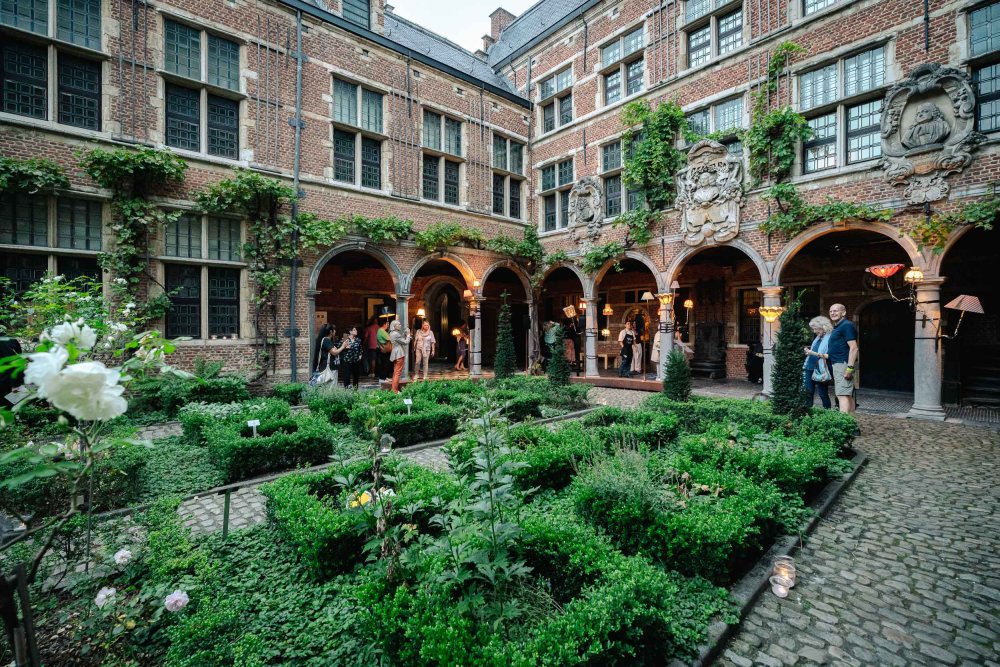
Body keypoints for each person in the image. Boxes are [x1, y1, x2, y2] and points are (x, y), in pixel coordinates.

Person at [827, 303, 859, 414]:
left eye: (835, 311)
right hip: (838, 364)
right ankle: (850, 421)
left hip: (842, 364)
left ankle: (842, 422)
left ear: (843, 312)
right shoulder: (838, 326)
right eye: (831, 311)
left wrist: (849, 369)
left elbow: (854, 348)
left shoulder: (846, 325)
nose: (832, 313)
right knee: (847, 395)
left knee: (842, 395)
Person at [802, 316, 833, 409]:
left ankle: (827, 413)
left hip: (821, 369)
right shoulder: (817, 339)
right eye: (813, 329)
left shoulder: (830, 338)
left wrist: (812, 353)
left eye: (816, 329)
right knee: (808, 392)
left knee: (823, 393)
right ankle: (808, 413)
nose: (814, 331)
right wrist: (808, 351)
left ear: (823, 327)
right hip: (809, 367)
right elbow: (813, 351)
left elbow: (830, 355)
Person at [389, 319, 411, 393]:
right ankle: (395, 390)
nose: (400, 325)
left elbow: (400, 339)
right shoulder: (396, 334)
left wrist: (404, 334)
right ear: (394, 326)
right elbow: (405, 342)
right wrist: (408, 335)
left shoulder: (392, 333)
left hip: (395, 353)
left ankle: (393, 389)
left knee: (395, 372)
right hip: (399, 353)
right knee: (398, 373)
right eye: (398, 324)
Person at [338, 324, 363, 389]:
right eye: (354, 330)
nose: (356, 331)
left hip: (356, 361)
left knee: (356, 377)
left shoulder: (358, 340)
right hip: (347, 361)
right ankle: (347, 390)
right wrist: (344, 347)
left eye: (356, 330)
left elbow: (360, 349)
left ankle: (355, 391)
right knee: (347, 376)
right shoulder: (345, 339)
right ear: (350, 331)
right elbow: (339, 348)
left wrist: (360, 355)